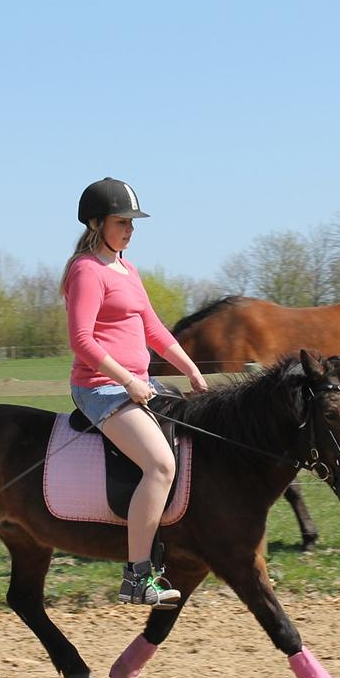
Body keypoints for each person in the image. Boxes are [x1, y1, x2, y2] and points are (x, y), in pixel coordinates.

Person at [61, 177, 209, 608]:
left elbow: (153, 330)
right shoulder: (86, 271)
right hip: (101, 388)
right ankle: (138, 576)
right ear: (96, 222)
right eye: (121, 221)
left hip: (138, 382)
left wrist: (191, 370)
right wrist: (126, 380)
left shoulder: (127, 269)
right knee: (161, 465)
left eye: (132, 222)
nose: (129, 229)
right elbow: (82, 341)